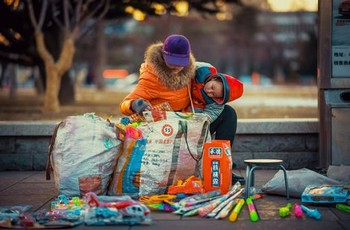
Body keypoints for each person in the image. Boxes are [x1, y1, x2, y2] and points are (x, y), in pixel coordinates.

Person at [119, 34, 244, 183]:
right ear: (164, 56)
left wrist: (210, 100)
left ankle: (223, 167)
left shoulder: (192, 71)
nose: (177, 66)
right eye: (173, 62)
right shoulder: (151, 77)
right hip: (166, 131)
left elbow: (212, 85)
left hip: (189, 124)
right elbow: (125, 103)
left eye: (181, 62)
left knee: (228, 113)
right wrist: (135, 105)